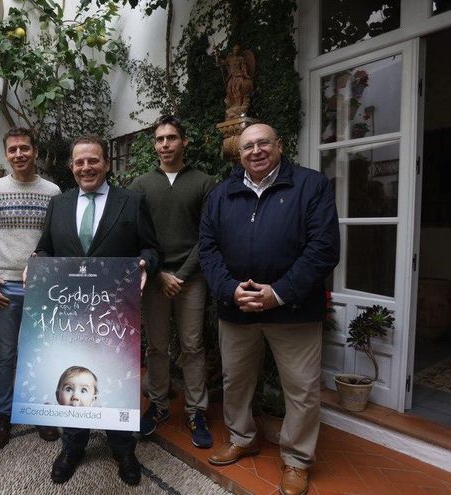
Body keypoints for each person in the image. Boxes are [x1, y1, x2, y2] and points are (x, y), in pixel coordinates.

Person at [198, 123, 340, 495]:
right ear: (238, 154)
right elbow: (208, 249)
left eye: (264, 144)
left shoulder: (311, 186)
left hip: (293, 310)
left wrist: (278, 293)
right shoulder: (221, 194)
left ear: (279, 146)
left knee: (302, 389)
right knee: (237, 381)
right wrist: (230, 290)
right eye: (248, 147)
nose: (256, 151)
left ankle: (296, 460)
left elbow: (323, 249)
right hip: (238, 309)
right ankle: (243, 437)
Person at [35, 135, 161, 487]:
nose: (86, 167)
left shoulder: (132, 202)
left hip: (116, 313)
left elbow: (152, 248)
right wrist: (37, 261)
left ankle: (124, 449)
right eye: (79, 162)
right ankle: (72, 446)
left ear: (106, 164)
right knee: (74, 378)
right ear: (71, 167)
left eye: (93, 161)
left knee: (116, 379)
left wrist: (144, 263)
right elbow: (45, 249)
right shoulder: (58, 205)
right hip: (70, 312)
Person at [129, 115, 215, 449]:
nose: (165, 144)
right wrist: (161, 272)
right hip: (154, 278)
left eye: (172, 138)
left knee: (192, 347)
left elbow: (207, 236)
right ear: (155, 145)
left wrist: (180, 275)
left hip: (191, 279)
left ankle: (196, 412)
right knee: (158, 347)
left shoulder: (204, 182)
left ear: (184, 141)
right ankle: (160, 406)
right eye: (160, 139)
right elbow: (138, 234)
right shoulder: (140, 185)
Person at [0, 127, 61, 450]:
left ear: (35, 151)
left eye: (24, 148)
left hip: (41, 285)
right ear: (6, 154)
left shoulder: (52, 192)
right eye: (12, 150)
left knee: (40, 352)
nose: (19, 154)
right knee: (6, 355)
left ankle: (41, 411)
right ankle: (3, 414)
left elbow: (55, 238)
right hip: (5, 286)